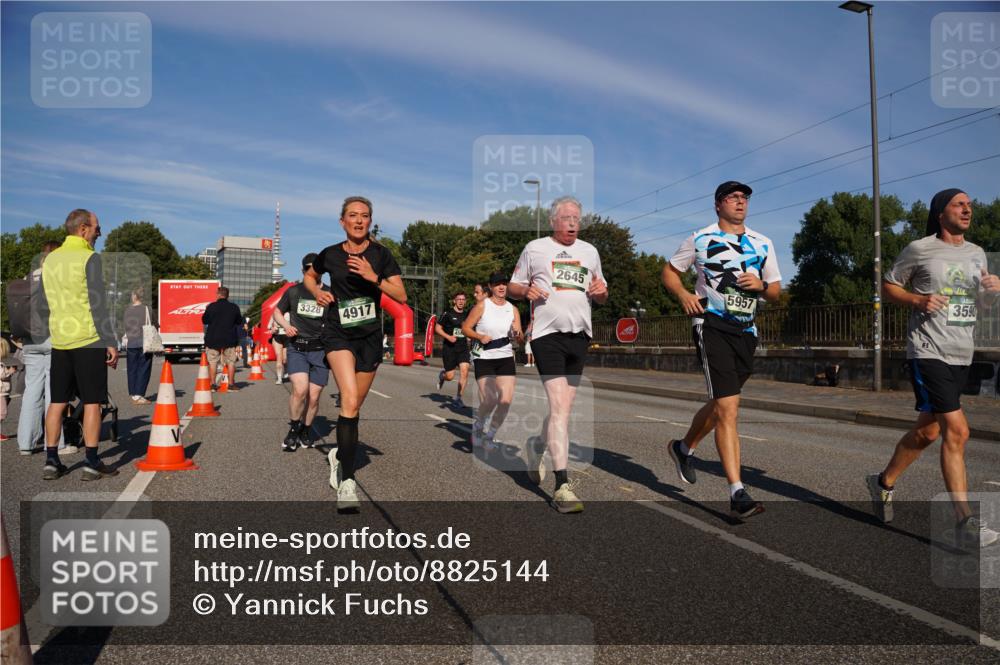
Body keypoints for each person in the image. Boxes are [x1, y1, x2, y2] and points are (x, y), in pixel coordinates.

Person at [867, 188, 1000, 549]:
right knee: (957, 431)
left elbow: (982, 309)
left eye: (970, 205)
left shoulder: (976, 254)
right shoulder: (920, 248)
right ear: (941, 213)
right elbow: (889, 286)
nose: (968, 209)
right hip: (928, 349)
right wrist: (918, 299)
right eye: (960, 204)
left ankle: (883, 483)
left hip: (961, 351)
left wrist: (991, 291)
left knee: (928, 433)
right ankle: (964, 522)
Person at [661, 181, 782, 519]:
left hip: (747, 331)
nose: (740, 202)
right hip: (710, 326)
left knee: (721, 402)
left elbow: (775, 291)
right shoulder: (700, 239)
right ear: (718, 205)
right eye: (733, 197)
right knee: (729, 408)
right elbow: (670, 273)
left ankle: (683, 449)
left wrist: (761, 286)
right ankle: (737, 492)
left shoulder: (762, 243)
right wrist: (685, 295)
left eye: (744, 197)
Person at [303, 196, 406, 512]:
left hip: (370, 337)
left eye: (364, 216)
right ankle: (347, 482)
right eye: (352, 215)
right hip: (337, 332)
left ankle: (338, 454)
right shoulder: (330, 254)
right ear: (342, 221)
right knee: (347, 399)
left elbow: (401, 295)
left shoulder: (381, 255)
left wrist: (372, 276)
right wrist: (318, 291)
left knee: (355, 406)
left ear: (369, 221)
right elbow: (310, 276)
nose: (358, 220)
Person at [508, 195, 608, 514]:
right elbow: (512, 286)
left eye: (576, 218)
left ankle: (537, 444)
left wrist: (601, 292)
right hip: (546, 335)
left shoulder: (589, 252)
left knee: (563, 407)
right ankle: (562, 484)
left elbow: (602, 290)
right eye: (566, 218)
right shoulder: (535, 249)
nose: (572, 223)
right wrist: (525, 291)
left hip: (579, 335)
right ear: (553, 221)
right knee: (559, 407)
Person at [39, 209, 119, 481]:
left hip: (60, 338)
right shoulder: (89, 258)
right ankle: (91, 461)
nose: (100, 232)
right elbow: (98, 304)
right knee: (93, 402)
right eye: (97, 228)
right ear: (83, 229)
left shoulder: (50, 260)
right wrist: (110, 341)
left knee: (58, 401)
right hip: (87, 338)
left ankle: (51, 460)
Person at [273, 253, 332, 452]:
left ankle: (306, 430)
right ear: (303, 271)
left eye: (315, 268)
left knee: (314, 397)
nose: (312, 272)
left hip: (320, 350)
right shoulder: (293, 291)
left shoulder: (330, 294)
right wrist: (286, 325)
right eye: (308, 268)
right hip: (297, 347)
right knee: (300, 390)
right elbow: (277, 312)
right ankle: (294, 428)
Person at [16, 240, 68, 454]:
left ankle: (25, 443)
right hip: (51, 337)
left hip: (29, 340)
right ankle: (55, 443)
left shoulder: (29, 277)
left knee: (32, 391)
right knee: (54, 393)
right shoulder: (56, 275)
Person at [463, 273, 522, 452]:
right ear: (491, 287)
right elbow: (465, 328)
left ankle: (490, 436)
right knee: (490, 400)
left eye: (504, 284)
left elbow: (520, 340)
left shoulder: (513, 309)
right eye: (497, 285)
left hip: (504, 356)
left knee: (505, 400)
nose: (502, 287)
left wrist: (518, 334)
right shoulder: (482, 305)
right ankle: (478, 427)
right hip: (484, 357)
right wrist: (480, 336)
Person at [202, 286, 243, 391]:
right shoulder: (234, 307)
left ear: (218, 294)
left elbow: (205, 320)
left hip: (213, 338)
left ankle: (212, 384)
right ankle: (231, 384)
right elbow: (239, 322)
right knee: (231, 361)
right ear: (227, 295)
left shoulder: (211, 306)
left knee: (213, 361)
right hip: (229, 338)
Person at [435, 291, 472, 408]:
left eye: (463, 299)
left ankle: (458, 398)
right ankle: (442, 376)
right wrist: (448, 337)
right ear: (454, 301)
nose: (461, 301)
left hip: (463, 348)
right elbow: (437, 328)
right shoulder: (448, 314)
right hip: (449, 348)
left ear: (465, 302)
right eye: (459, 299)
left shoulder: (468, 315)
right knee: (450, 377)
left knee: (465, 371)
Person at [122, 288, 155, 404]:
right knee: (144, 368)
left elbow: (125, 326)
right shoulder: (147, 309)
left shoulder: (127, 310)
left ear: (134, 297)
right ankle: (139, 394)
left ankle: (133, 394)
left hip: (131, 343)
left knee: (131, 369)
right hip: (144, 342)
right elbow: (154, 324)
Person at [0, 338, 16, 441]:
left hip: (3, 392)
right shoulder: (1, 365)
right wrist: (9, 371)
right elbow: (1, 375)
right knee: (2, 412)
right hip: (1, 392)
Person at [268, 315, 289, 384]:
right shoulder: (275, 314)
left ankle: (286, 371)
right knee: (279, 357)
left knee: (285, 359)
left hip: (287, 337)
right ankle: (279, 378)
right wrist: (272, 328)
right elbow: (268, 326)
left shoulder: (290, 313)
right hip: (277, 337)